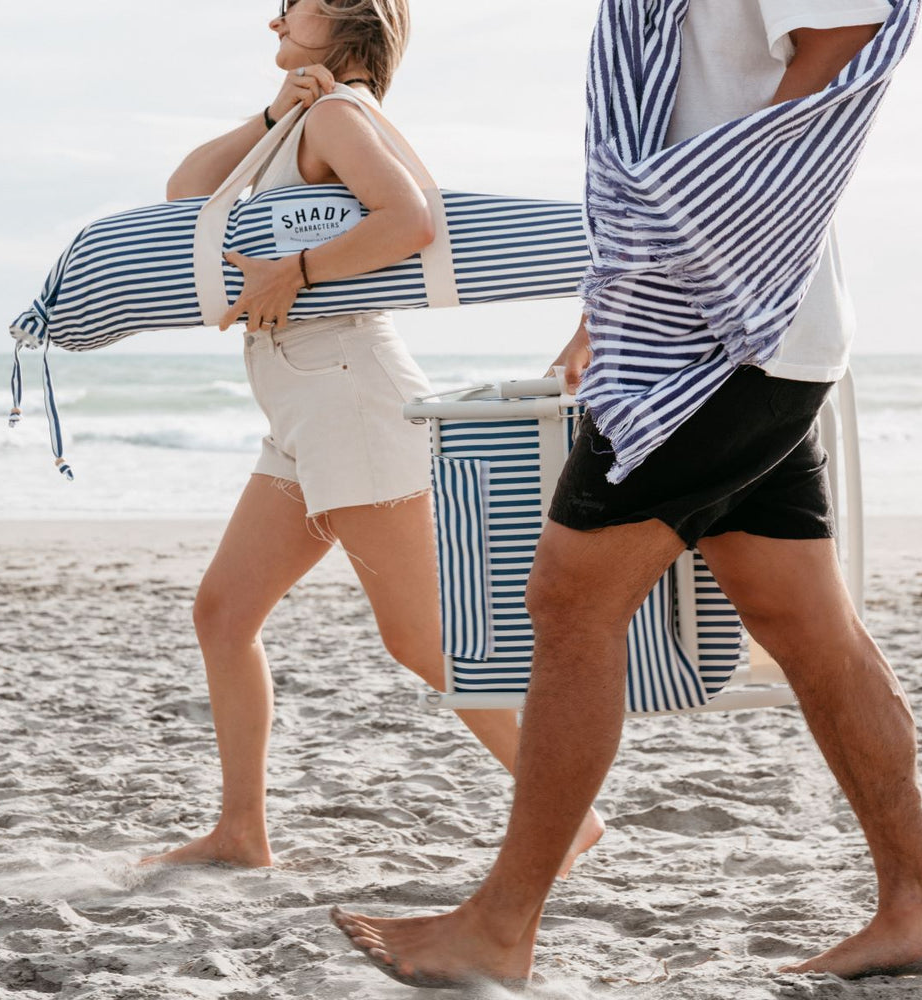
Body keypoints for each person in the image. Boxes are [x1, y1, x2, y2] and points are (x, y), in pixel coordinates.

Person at [332, 0, 922, 986]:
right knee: (805, 621)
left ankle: (500, 927)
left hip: (726, 337)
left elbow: (845, 34)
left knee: (571, 597)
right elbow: (674, 121)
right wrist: (617, 298)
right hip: (717, 330)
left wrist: (707, 228)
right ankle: (919, 908)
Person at [141, 0, 604, 874]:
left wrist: (301, 268)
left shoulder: (343, 114)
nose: (274, 16)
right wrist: (275, 111)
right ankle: (242, 833)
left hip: (347, 391)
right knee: (223, 613)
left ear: (349, 18)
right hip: (306, 403)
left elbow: (410, 221)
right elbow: (183, 193)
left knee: (423, 639)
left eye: (297, 4)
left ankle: (569, 815)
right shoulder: (306, 118)